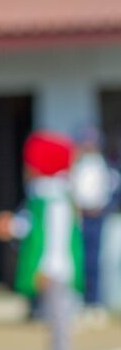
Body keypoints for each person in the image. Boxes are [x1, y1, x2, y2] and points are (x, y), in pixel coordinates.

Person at [0, 131, 83, 350]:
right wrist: (13, 226)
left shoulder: (53, 197)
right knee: (53, 315)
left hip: (55, 268)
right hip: (54, 267)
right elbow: (32, 226)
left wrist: (47, 267)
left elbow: (55, 235)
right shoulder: (42, 195)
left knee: (59, 316)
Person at [70, 125, 119, 317]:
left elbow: (113, 190)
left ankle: (95, 301)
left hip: (97, 217)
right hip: (80, 217)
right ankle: (81, 300)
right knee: (79, 259)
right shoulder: (76, 165)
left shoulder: (105, 165)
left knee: (95, 260)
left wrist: (104, 208)